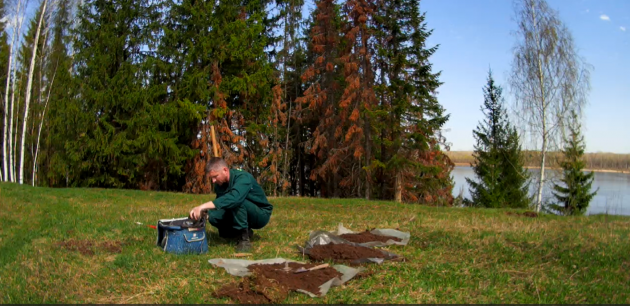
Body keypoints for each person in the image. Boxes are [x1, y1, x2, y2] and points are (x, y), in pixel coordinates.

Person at [189, 157, 273, 252]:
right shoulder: (219, 185)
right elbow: (221, 205)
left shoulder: (243, 177)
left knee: (235, 201)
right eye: (211, 178)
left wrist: (202, 206)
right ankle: (235, 233)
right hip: (240, 211)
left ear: (225, 170)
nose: (213, 181)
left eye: (215, 176)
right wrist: (204, 213)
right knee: (212, 214)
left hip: (260, 214)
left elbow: (234, 199)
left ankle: (243, 239)